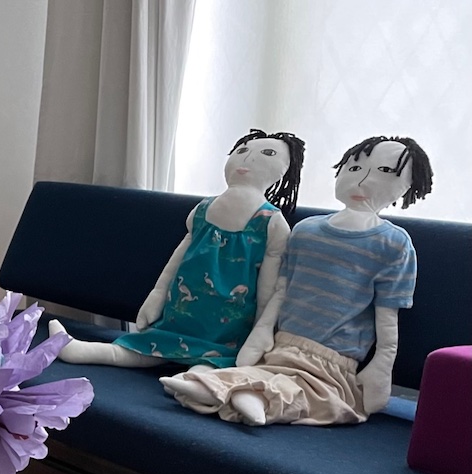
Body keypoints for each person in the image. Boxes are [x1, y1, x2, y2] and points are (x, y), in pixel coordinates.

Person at [161, 136, 433, 426]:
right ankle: (224, 387)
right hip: (281, 347)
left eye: (384, 172)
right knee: (262, 372)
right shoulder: (306, 231)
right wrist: (263, 331)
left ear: (405, 188)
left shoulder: (393, 243)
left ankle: (255, 398)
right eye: (353, 169)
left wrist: (381, 365)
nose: (362, 180)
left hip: (332, 363)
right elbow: (282, 290)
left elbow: (387, 316)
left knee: (308, 391)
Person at [49, 128, 305, 369]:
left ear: (283, 171)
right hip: (177, 319)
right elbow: (178, 257)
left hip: (226, 334)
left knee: (213, 365)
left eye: (267, 154)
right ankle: (78, 349)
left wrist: (261, 330)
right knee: (143, 345)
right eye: (242, 150)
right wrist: (157, 295)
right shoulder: (204, 209)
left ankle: (202, 380)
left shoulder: (270, 222)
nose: (248, 158)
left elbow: (270, 286)